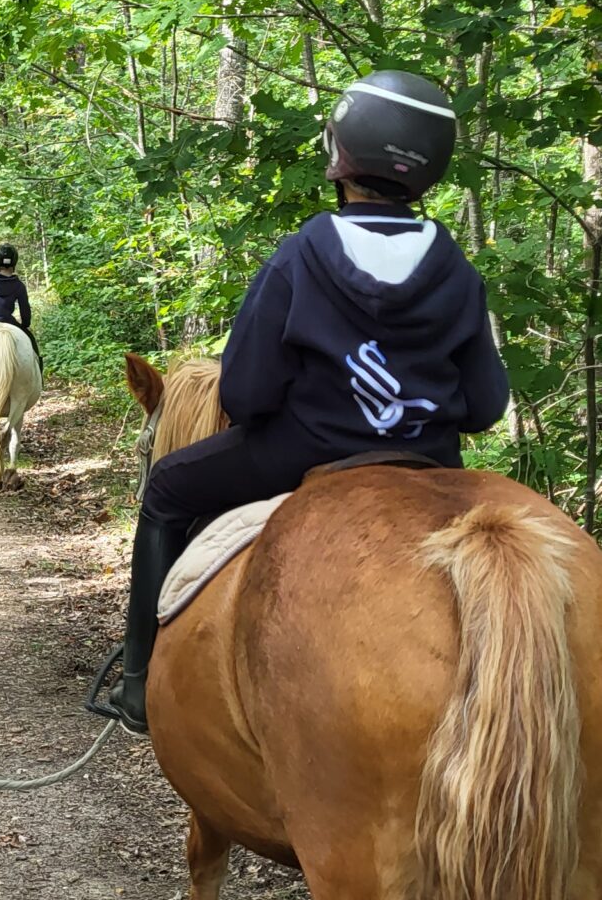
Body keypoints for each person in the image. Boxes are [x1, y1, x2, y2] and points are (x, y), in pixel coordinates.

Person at [107, 69, 511, 736]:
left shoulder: (301, 255)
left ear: (339, 154)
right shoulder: (454, 267)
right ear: (429, 170)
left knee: (169, 489)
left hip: (302, 450)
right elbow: (484, 404)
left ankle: (139, 684)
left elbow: (244, 393)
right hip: (429, 461)